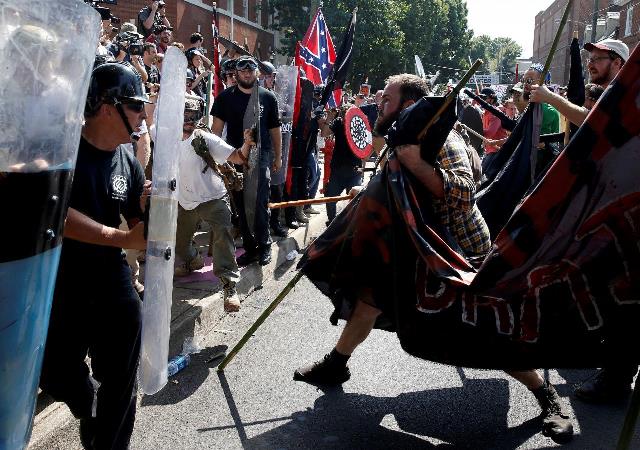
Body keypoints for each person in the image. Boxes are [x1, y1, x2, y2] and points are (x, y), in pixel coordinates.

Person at [295, 73, 573, 444]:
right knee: (369, 301)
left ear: (409, 106)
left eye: (388, 100)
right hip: (412, 249)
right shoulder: (401, 136)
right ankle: (335, 366)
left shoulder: (444, 139)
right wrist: (371, 187)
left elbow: (463, 191)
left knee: (485, 332)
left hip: (456, 252)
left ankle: (547, 397)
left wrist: (417, 164)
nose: (380, 105)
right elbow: (398, 185)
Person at [39, 61, 150, 450]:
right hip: (62, 280)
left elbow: (139, 224)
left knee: (121, 378)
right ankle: (88, 404)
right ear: (107, 106)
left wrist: (155, 208)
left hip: (110, 279)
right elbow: (57, 213)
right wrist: (121, 236)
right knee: (53, 371)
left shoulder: (128, 160)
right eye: (136, 104)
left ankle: (110, 441)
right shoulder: (63, 150)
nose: (142, 113)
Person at [174, 95, 255, 312]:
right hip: (184, 202)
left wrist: (247, 144)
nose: (188, 120)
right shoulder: (165, 136)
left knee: (222, 237)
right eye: (184, 115)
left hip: (213, 198)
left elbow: (237, 157)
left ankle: (229, 287)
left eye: (193, 116)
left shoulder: (205, 139)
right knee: (179, 243)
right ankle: (192, 259)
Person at [211, 55, 282, 266]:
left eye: (251, 71)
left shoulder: (268, 97)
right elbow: (215, 131)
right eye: (242, 71)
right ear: (236, 73)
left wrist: (278, 156)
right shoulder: (224, 98)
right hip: (235, 156)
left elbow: (275, 130)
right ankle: (251, 249)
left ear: (257, 72)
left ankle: (265, 245)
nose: (247, 74)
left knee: (259, 203)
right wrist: (215, 158)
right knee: (241, 207)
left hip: (261, 156)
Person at [529, 39, 629, 127]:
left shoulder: (627, 95)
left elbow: (594, 122)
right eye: (590, 60)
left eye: (596, 59)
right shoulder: (607, 95)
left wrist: (549, 97)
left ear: (616, 63)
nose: (589, 64)